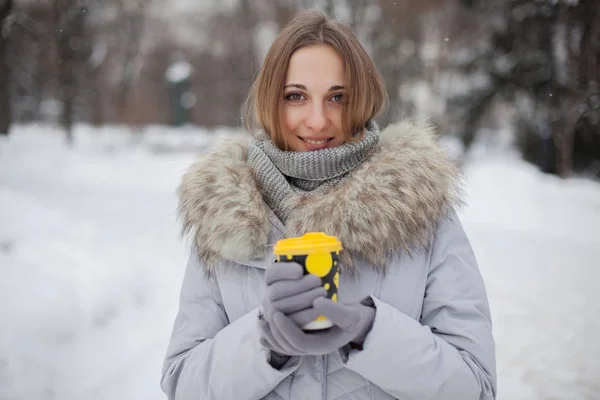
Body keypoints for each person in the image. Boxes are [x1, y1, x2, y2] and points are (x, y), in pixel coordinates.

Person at [160, 10, 496, 400]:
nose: (317, 120)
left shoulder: (422, 210)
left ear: (362, 99)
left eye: (338, 97)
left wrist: (371, 333)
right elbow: (183, 383)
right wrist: (264, 343)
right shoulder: (223, 215)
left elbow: (474, 387)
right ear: (272, 100)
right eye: (296, 96)